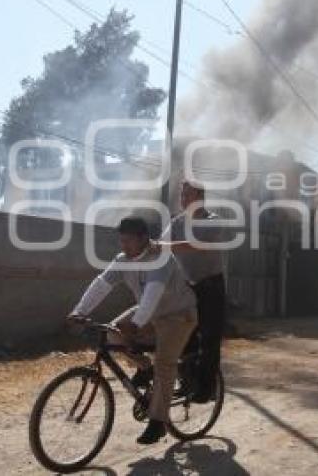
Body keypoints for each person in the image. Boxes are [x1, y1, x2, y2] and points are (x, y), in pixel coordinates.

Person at [67, 216, 196, 445]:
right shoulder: (123, 260)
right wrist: (79, 311)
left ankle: (158, 422)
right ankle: (144, 367)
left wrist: (136, 324)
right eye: (121, 240)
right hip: (150, 312)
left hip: (178, 315)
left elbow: (152, 294)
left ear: (144, 239)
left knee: (165, 363)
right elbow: (101, 284)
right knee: (111, 333)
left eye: (128, 241)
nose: (123, 245)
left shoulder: (161, 258)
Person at [159, 180, 228, 404]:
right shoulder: (177, 222)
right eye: (182, 195)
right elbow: (162, 243)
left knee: (209, 337)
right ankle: (187, 381)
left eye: (187, 194)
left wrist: (163, 246)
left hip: (210, 286)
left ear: (200, 197)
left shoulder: (213, 221)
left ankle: (207, 388)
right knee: (183, 335)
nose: (183, 199)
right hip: (186, 287)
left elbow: (196, 244)